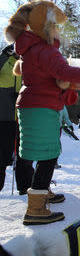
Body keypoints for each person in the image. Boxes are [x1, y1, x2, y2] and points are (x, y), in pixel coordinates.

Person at [5, 0, 80, 225]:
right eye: (55, 26)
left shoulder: (31, 49)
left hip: (33, 105)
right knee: (48, 154)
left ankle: (39, 191)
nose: (58, 30)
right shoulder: (44, 50)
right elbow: (64, 71)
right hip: (41, 107)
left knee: (45, 152)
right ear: (45, 27)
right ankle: (36, 208)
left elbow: (48, 75)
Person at [0, 44, 34, 194]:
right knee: (2, 156)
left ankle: (26, 188)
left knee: (25, 155)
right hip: (4, 118)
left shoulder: (27, 64)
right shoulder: (5, 61)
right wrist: (4, 54)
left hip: (23, 118)